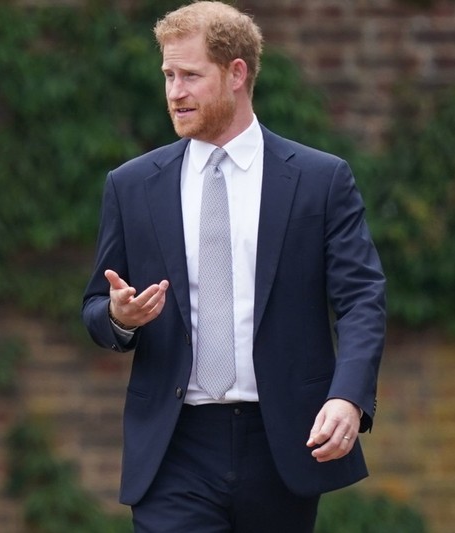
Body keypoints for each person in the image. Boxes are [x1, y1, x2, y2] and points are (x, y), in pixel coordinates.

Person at [81, 2, 385, 532]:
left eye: (191, 75)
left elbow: (362, 298)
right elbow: (94, 308)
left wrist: (348, 395)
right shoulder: (131, 185)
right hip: (175, 443)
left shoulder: (320, 180)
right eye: (169, 75)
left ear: (237, 73)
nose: (174, 92)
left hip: (284, 439)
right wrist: (119, 317)